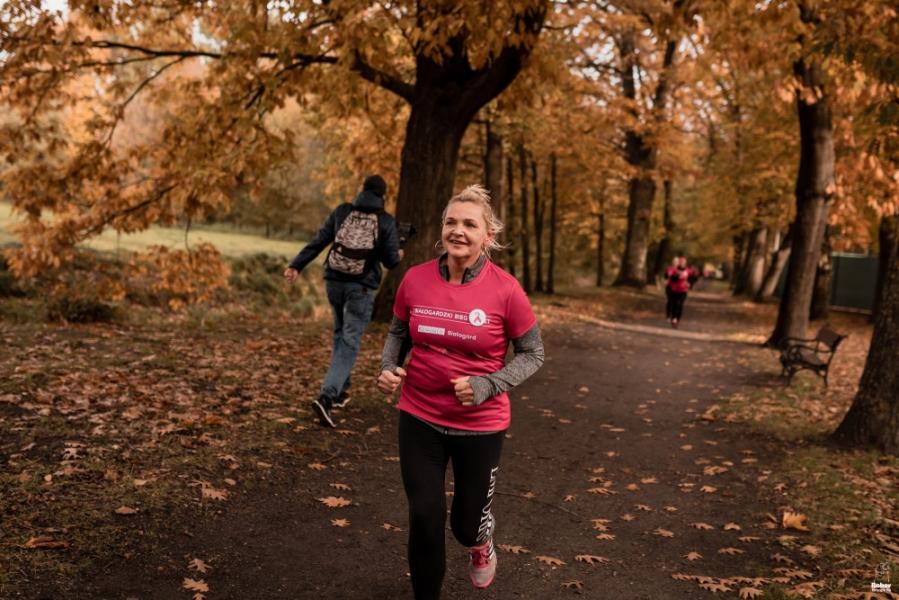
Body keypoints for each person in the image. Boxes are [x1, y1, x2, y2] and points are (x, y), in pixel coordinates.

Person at [377, 184, 544, 599]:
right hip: (419, 415)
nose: (458, 231)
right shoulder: (415, 280)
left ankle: (481, 542)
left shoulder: (506, 290)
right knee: (424, 516)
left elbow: (533, 353)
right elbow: (399, 331)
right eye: (451, 222)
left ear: (487, 235)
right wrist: (388, 367)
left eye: (470, 224)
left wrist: (488, 384)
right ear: (442, 229)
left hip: (480, 425)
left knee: (465, 526)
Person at [284, 175, 403, 428]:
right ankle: (327, 396)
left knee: (340, 335)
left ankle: (340, 392)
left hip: (334, 283)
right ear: (383, 195)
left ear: (362, 190)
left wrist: (297, 265)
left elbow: (319, 240)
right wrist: (399, 252)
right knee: (349, 341)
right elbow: (391, 261)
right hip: (360, 288)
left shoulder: (342, 211)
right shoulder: (385, 221)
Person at [666, 255, 700, 328]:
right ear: (679, 263)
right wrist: (676, 276)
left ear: (685, 263)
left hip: (683, 290)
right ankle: (673, 318)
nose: (682, 263)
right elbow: (671, 278)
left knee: (680, 305)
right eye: (681, 262)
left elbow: (695, 278)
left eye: (683, 262)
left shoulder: (688, 270)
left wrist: (690, 283)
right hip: (674, 290)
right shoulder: (675, 270)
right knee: (674, 305)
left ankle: (677, 319)